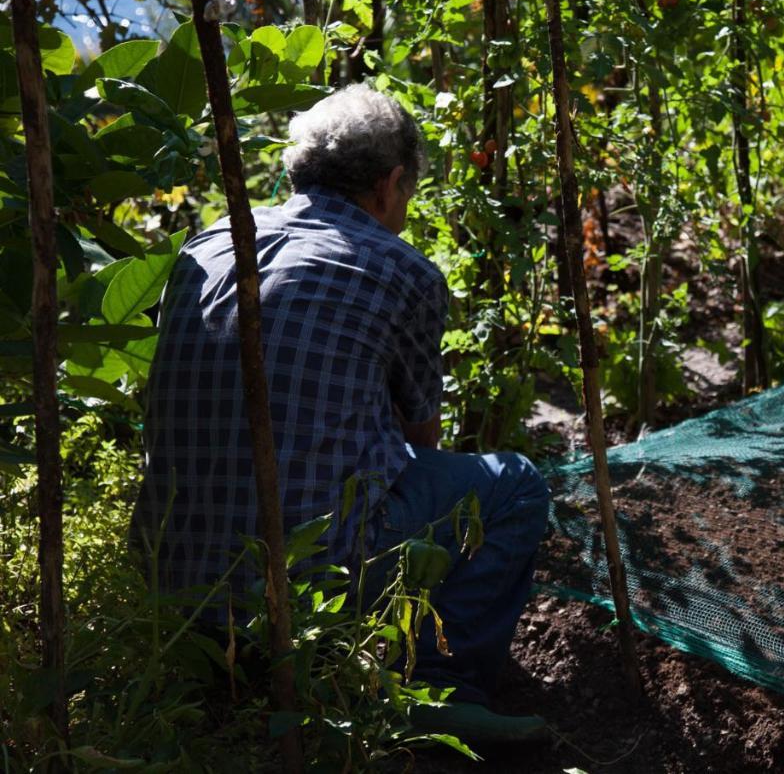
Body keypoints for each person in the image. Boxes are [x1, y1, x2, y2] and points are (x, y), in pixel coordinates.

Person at [131, 83, 550, 739]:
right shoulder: (400, 268)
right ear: (389, 184)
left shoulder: (206, 245)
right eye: (407, 194)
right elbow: (420, 436)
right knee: (515, 487)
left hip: (171, 578)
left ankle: (218, 666)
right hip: (300, 582)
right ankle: (440, 684)